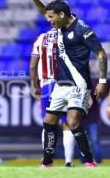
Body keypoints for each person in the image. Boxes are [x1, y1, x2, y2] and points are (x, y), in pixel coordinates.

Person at [28, 0, 108, 167]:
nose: (49, 21)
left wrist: (102, 81)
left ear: (62, 15)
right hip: (61, 84)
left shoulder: (82, 29)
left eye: (52, 18)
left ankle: (89, 161)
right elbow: (46, 12)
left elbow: (101, 54)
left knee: (72, 121)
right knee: (49, 120)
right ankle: (47, 162)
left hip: (79, 84)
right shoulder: (60, 26)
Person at [30, 29, 75, 167]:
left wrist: (33, 84)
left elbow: (33, 66)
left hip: (48, 85)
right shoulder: (71, 36)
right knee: (67, 124)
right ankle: (68, 161)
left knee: (48, 124)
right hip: (68, 83)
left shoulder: (42, 38)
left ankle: (46, 160)